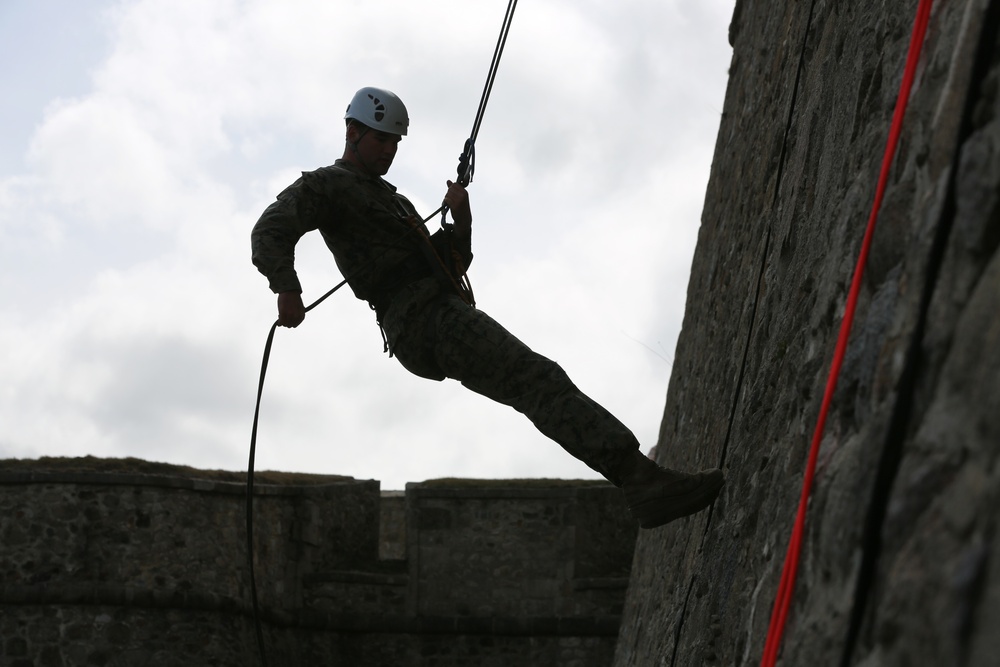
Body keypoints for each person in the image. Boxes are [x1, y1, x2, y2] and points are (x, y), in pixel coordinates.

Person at [251, 86, 724, 528]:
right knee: (536, 379)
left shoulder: (392, 201)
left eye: (395, 142)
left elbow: (450, 263)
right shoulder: (328, 185)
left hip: (434, 310)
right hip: (422, 319)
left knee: (535, 380)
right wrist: (287, 288)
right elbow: (269, 229)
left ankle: (639, 479)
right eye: (381, 139)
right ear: (352, 131)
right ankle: (641, 481)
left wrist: (462, 217)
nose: (389, 150)